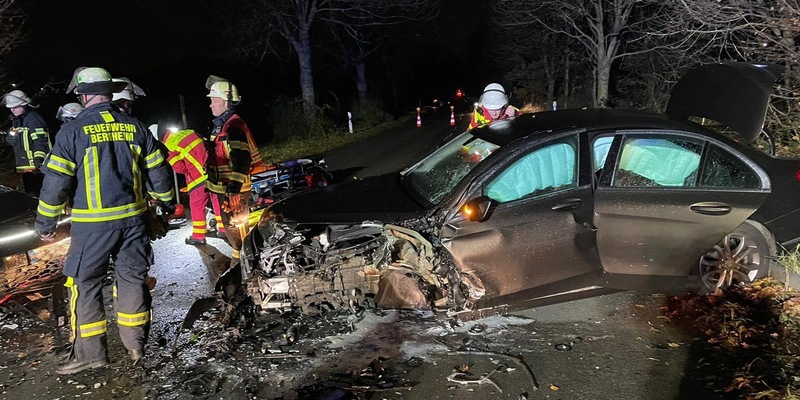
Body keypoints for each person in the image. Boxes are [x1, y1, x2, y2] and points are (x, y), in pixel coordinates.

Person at [34, 67, 174, 375]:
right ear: (109, 93)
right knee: (132, 282)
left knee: (84, 286)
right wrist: (166, 203)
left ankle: (92, 354)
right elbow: (159, 174)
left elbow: (56, 183)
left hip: (92, 229)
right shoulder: (135, 127)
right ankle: (136, 349)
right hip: (134, 225)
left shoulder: (72, 132)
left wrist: (45, 224)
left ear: (83, 95)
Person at [204, 75, 263, 265]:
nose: (211, 105)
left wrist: (234, 190)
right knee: (232, 228)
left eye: (214, 101)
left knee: (240, 229)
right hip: (226, 189)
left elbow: (242, 161)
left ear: (226, 103)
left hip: (235, 190)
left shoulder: (233, 127)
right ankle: (240, 262)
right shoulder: (222, 126)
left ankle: (246, 265)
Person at [149, 124, 212, 245]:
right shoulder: (186, 132)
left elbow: (179, 168)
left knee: (197, 205)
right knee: (216, 200)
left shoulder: (168, 145)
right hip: (213, 171)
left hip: (197, 177)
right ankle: (222, 229)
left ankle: (198, 236)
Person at [1, 89, 51, 196]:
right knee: (31, 195)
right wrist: (7, 139)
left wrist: (39, 159)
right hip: (26, 168)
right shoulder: (17, 120)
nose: (12, 110)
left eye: (15, 107)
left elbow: (40, 142)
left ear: (24, 105)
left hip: (37, 169)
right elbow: (20, 141)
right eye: (10, 108)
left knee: (41, 195)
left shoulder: (33, 119)